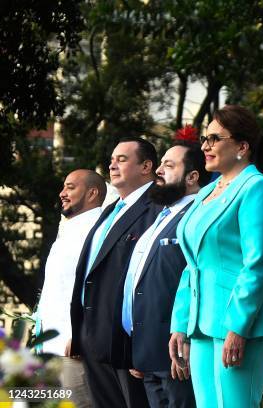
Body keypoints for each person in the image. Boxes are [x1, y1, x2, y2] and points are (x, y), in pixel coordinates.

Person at [169, 105, 263, 407]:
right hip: (202, 321)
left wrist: (238, 325)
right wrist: (180, 323)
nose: (205, 146)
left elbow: (258, 264)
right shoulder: (206, 193)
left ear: (242, 147)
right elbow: (192, 264)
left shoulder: (257, 188)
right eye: (205, 139)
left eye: (215, 139)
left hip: (241, 323)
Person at [70, 137, 161, 408]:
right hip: (91, 333)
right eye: (112, 159)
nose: (112, 165)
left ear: (146, 166)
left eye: (122, 159)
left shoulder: (157, 209)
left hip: (124, 338)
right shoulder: (110, 210)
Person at [125, 142, 208, 408]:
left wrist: (189, 341)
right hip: (149, 353)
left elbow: (197, 282)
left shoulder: (199, 215)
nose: (158, 170)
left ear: (192, 176)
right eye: (160, 163)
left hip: (177, 354)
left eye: (169, 165)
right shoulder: (162, 215)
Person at [36, 169, 106, 408]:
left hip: (72, 350)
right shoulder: (70, 228)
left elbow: (97, 288)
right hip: (51, 348)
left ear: (92, 193)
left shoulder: (97, 231)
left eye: (70, 187)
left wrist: (80, 334)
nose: (62, 193)